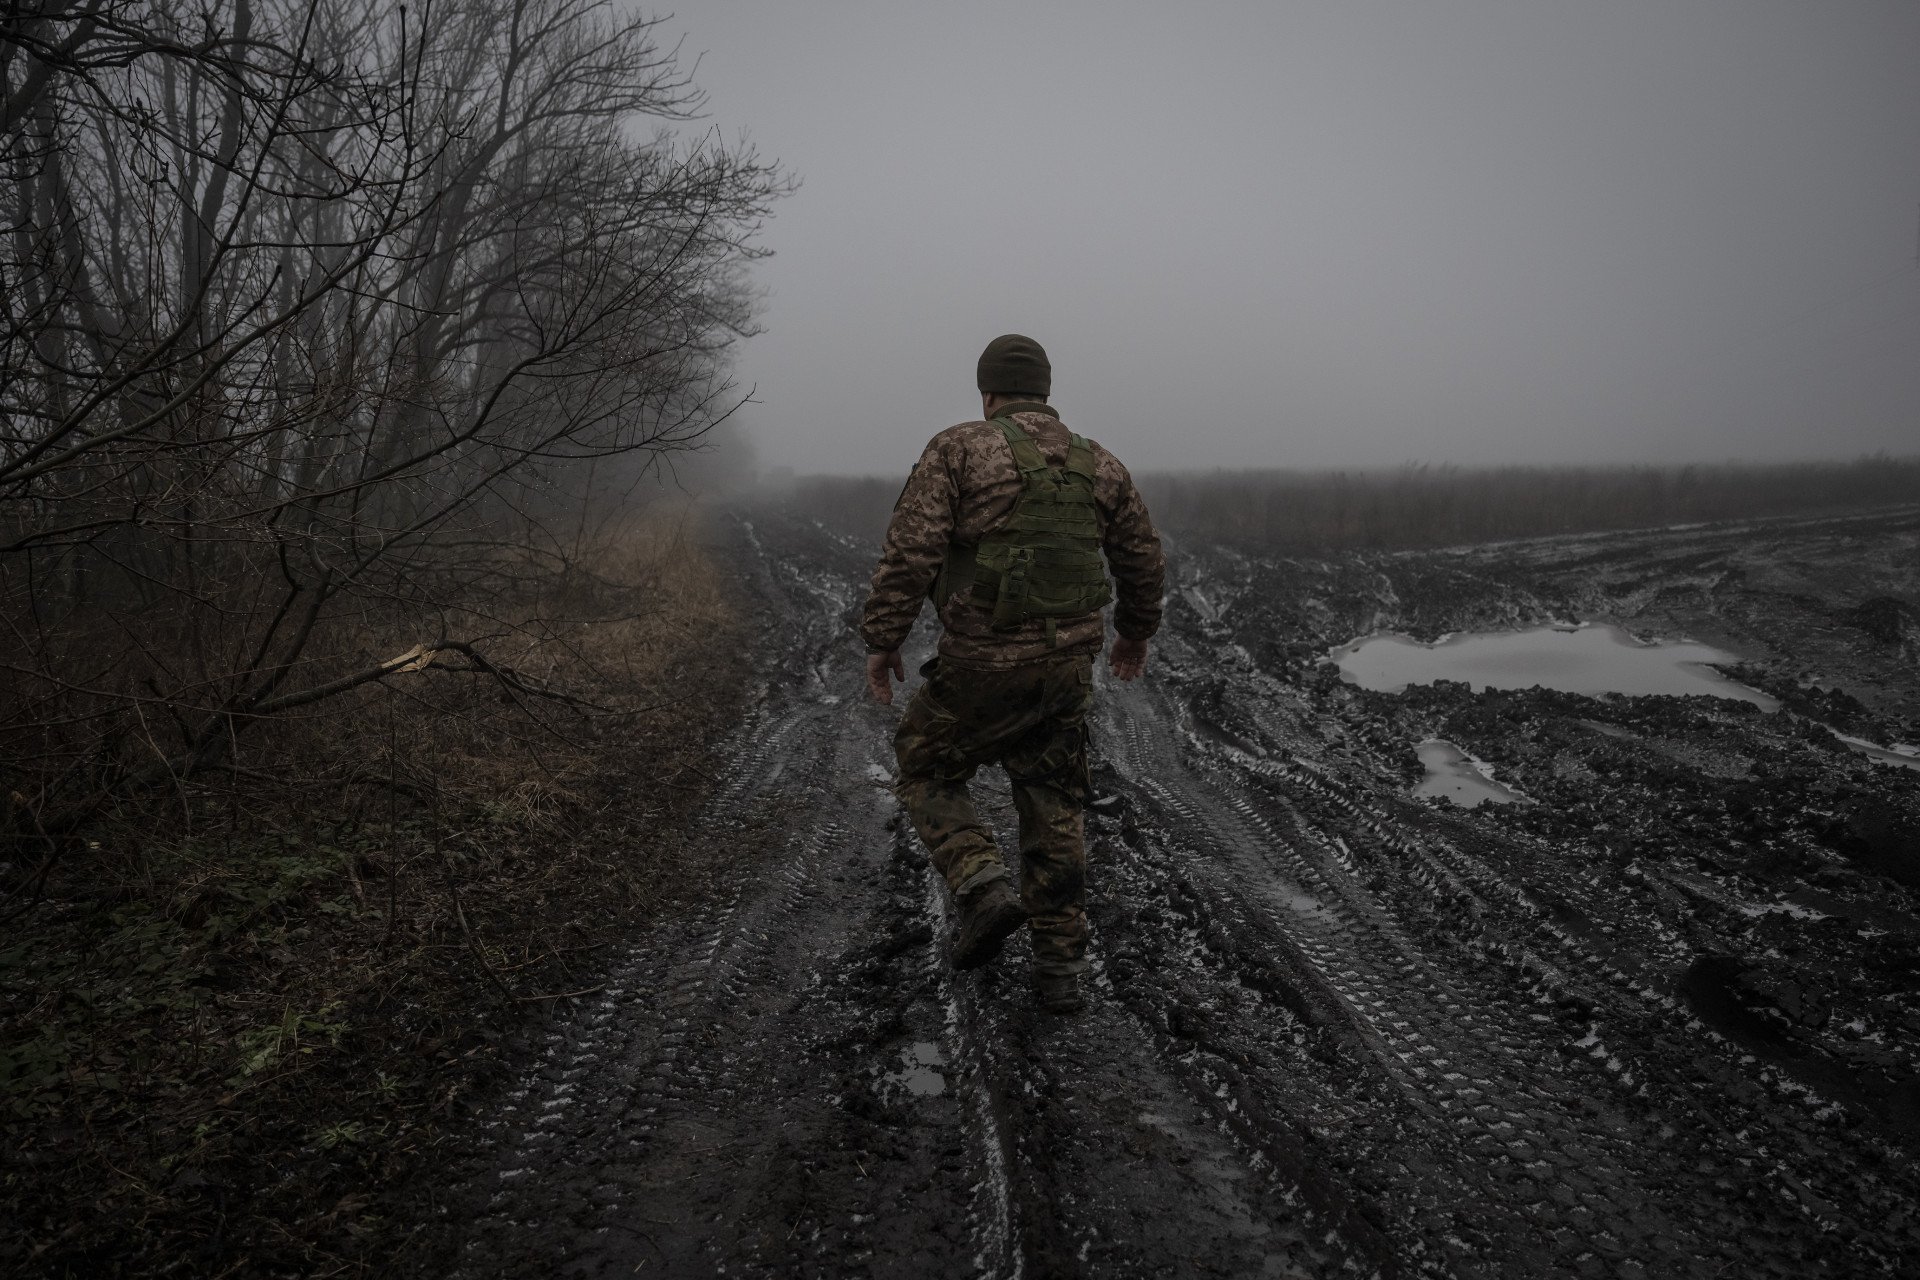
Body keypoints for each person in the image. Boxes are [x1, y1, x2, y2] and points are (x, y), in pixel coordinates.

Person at [859, 334, 1165, 1013]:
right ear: (1046, 391)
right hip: (1064, 672)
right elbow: (1143, 557)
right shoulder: (1099, 463)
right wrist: (1136, 634)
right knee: (1054, 805)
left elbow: (912, 552)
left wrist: (883, 640)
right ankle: (1060, 973)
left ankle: (980, 884)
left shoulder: (959, 448)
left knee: (924, 764)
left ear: (988, 392)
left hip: (978, 668)